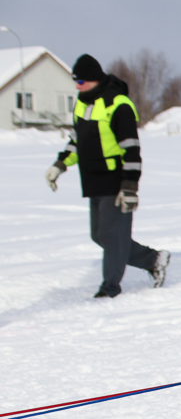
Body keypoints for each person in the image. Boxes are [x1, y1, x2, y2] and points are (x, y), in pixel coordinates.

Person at [44, 54, 169, 298]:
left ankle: (109, 288)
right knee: (100, 236)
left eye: (80, 81)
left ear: (93, 79)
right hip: (92, 180)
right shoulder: (83, 102)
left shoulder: (118, 103)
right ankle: (154, 259)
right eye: (75, 81)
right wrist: (60, 165)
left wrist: (130, 186)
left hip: (116, 180)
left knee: (113, 237)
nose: (77, 86)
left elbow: (131, 147)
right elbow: (77, 141)